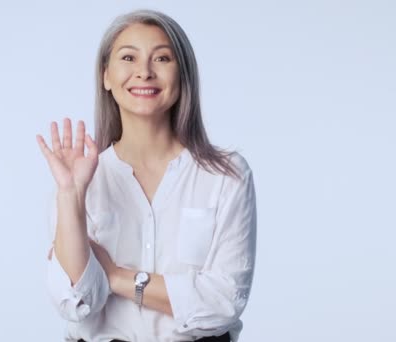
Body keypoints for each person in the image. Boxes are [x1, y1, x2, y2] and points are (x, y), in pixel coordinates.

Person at [36, 9, 257, 342]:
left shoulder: (225, 176)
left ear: (182, 75)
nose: (144, 72)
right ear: (105, 76)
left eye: (162, 58)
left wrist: (115, 276)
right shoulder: (81, 178)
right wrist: (72, 194)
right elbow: (78, 302)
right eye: (128, 57)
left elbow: (224, 302)